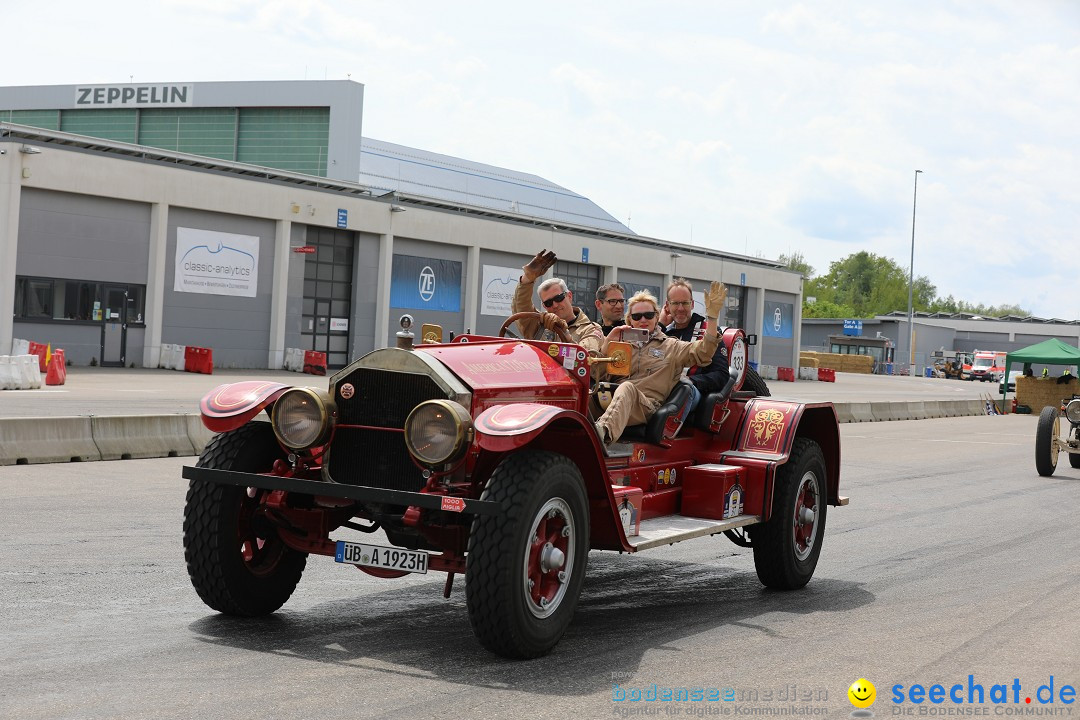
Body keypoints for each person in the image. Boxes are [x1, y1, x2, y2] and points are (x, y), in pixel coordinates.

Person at [594, 282, 726, 446]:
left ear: (657, 317)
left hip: (645, 406)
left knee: (627, 388)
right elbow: (596, 374)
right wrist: (608, 343)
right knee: (587, 392)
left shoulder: (671, 346)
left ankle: (600, 434)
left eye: (648, 315)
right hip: (616, 400)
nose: (643, 320)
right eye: (637, 316)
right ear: (630, 320)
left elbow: (703, 352)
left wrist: (712, 318)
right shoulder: (621, 346)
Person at [512, 249, 603, 353]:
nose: (555, 305)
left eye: (558, 298)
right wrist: (527, 278)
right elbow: (521, 308)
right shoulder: (538, 325)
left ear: (569, 296)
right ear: (544, 306)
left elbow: (585, 359)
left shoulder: (591, 330)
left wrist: (566, 336)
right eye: (548, 303)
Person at [662, 278, 730, 413]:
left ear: (692, 304)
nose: (680, 308)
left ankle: (664, 432)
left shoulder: (709, 331)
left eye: (685, 303)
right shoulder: (662, 332)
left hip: (691, 391)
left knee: (684, 389)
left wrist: (691, 380)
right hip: (662, 388)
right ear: (667, 306)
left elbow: (721, 375)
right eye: (675, 303)